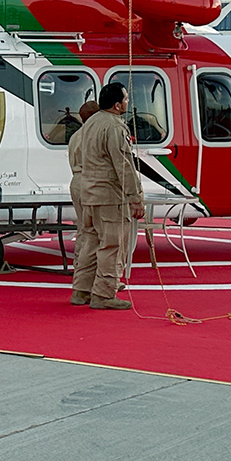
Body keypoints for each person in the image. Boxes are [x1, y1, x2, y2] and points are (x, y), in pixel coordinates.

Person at [71, 82, 144, 311]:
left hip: (89, 193)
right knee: (112, 244)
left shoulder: (91, 123)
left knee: (90, 242)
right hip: (109, 196)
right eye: (125, 99)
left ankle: (81, 290)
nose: (127, 102)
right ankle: (103, 293)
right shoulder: (114, 126)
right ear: (116, 104)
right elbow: (123, 165)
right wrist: (136, 197)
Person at [65, 99, 102, 284]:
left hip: (76, 181)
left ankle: (79, 269)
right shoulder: (95, 134)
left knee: (83, 228)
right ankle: (97, 277)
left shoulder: (75, 135)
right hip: (92, 181)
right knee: (98, 231)